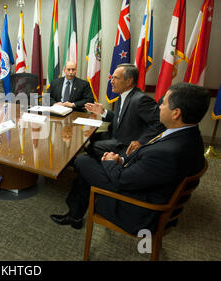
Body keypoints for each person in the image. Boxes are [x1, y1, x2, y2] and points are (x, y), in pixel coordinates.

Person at [50, 82, 210, 235]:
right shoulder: (190, 136)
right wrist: (123, 161)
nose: (159, 107)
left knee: (82, 161)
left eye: (164, 104)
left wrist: (112, 163)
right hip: (145, 182)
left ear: (176, 113)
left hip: (136, 208)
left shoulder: (168, 152)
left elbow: (122, 180)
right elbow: (149, 165)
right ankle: (75, 214)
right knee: (88, 164)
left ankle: (75, 215)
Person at [84, 63, 164, 159]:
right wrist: (103, 112)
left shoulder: (141, 100)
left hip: (125, 143)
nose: (111, 81)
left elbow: (160, 122)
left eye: (115, 78)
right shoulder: (123, 95)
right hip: (115, 134)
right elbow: (121, 118)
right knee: (91, 137)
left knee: (93, 146)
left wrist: (141, 141)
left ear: (129, 81)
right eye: (112, 78)